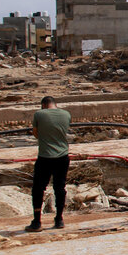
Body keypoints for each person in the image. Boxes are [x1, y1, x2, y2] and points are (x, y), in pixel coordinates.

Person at [26, 96, 71, 232]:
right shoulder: (66, 114)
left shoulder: (39, 114)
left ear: (44, 105)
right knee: (60, 187)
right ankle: (59, 219)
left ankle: (37, 221)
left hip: (45, 157)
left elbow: (36, 133)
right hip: (63, 157)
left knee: (38, 188)